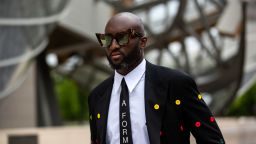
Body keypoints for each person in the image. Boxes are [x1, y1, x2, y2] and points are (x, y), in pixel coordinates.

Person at [88, 12, 225, 144]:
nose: (113, 46)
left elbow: (212, 139)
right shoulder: (97, 96)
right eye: (106, 39)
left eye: (122, 38)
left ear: (142, 42)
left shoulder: (176, 84)